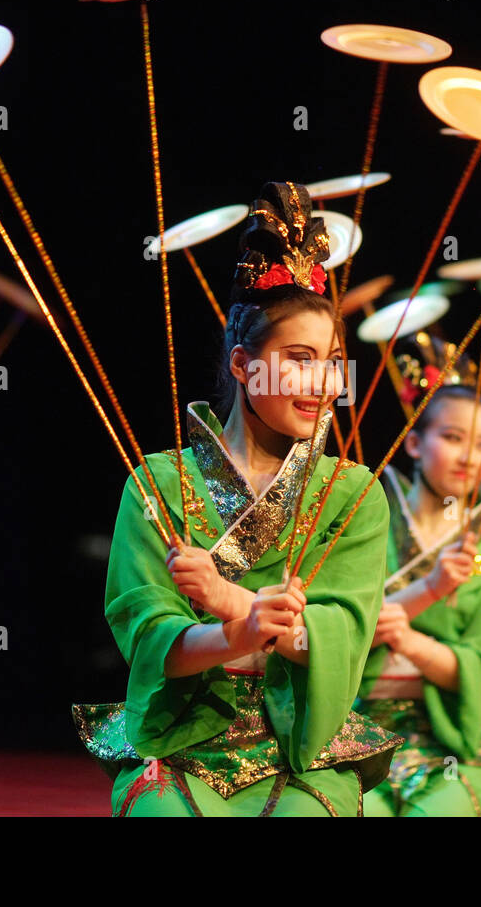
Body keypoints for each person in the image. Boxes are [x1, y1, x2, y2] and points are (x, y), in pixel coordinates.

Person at [73, 182, 400, 816]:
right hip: (184, 741)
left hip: (297, 747)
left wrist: (232, 602)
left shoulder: (352, 494)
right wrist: (239, 632)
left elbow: (344, 638)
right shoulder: (157, 485)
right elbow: (150, 638)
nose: (325, 384)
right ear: (245, 365)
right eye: (300, 360)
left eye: (334, 362)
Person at [356, 370, 481, 817]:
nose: (470, 458)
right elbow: (335, 628)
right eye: (453, 438)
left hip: (447, 731)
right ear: (415, 444)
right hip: (352, 726)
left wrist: (412, 641)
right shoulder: (363, 524)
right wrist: (427, 591)